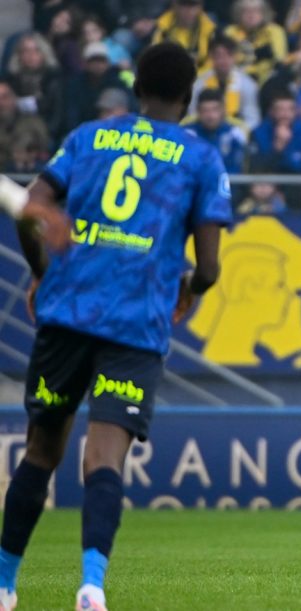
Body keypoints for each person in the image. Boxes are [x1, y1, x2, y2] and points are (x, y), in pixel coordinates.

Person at [0, 42, 230, 611]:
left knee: (41, 452)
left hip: (68, 312)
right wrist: (189, 290)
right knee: (104, 458)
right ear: (189, 95)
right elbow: (209, 268)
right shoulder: (201, 159)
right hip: (136, 322)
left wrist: (41, 272)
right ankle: (91, 587)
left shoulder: (89, 137)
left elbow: (30, 211)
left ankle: (3, 585)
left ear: (137, 88)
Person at [190, 37, 262, 131]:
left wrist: (238, 133)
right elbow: (192, 114)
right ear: (211, 57)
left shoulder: (248, 85)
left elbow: (253, 119)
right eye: (218, 56)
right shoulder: (199, 84)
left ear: (234, 57)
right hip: (204, 130)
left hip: (236, 132)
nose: (223, 60)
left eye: (228, 55)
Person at [223, 0, 289, 85]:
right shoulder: (231, 31)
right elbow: (225, 58)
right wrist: (257, 54)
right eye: (246, 11)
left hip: (266, 79)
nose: (251, 15)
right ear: (239, 14)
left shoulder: (275, 31)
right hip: (236, 78)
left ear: (264, 14)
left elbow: (279, 58)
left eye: (256, 11)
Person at [183, 89, 249, 174]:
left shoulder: (235, 134)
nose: (210, 116)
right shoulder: (187, 134)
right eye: (205, 110)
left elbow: (238, 168)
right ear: (198, 112)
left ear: (223, 110)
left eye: (215, 110)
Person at [152, 0, 219, 71]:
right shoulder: (161, 29)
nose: (188, 11)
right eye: (183, 5)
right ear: (174, 5)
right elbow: (154, 59)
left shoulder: (211, 32)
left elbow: (212, 65)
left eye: (193, 5)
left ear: (201, 7)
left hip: (199, 75)